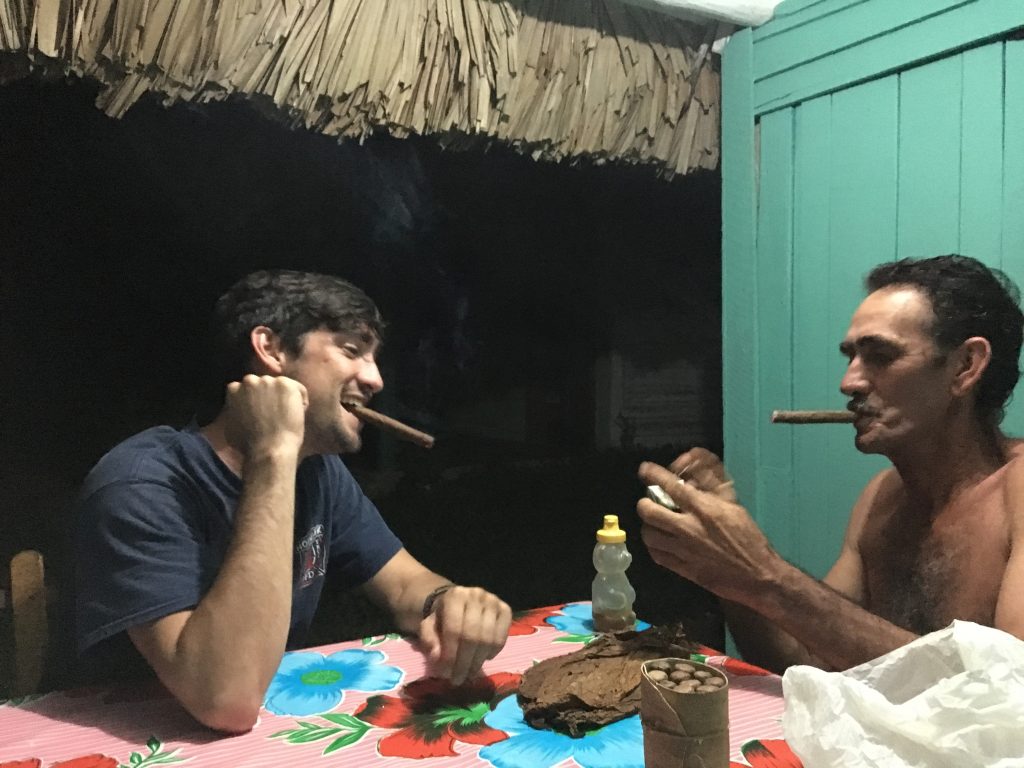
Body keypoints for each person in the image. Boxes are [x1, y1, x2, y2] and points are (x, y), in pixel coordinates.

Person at [73, 270, 512, 732]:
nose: (375, 378)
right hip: (138, 738)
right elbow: (225, 700)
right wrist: (274, 453)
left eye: (374, 357)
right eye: (351, 350)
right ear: (273, 350)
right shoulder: (142, 484)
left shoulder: (319, 472)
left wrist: (450, 602)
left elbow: (404, 585)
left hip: (263, 730)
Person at [637, 254, 1024, 673]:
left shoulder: (1016, 491)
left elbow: (1009, 701)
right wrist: (731, 577)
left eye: (880, 356)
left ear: (965, 367)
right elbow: (804, 663)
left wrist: (766, 575)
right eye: (851, 357)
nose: (849, 382)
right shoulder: (881, 498)